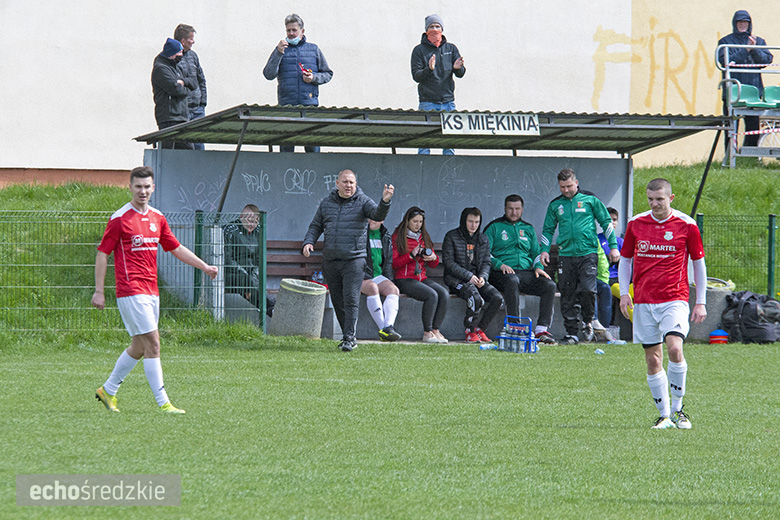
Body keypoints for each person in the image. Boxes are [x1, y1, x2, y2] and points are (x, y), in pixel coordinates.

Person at [92, 166, 218, 414]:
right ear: (130, 187)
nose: (143, 191)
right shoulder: (120, 218)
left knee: (139, 347)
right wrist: (99, 291)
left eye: (147, 186)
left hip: (151, 291)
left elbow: (176, 247)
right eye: (138, 186)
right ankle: (164, 403)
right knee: (154, 342)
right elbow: (102, 253)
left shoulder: (157, 218)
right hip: (130, 290)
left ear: (153, 188)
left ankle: (107, 390)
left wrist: (204, 266)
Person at [619, 178, 706, 430]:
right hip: (644, 301)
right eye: (650, 199)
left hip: (675, 298)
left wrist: (700, 301)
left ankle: (680, 410)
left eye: (659, 199)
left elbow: (699, 264)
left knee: (675, 349)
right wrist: (626, 293)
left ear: (671, 198)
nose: (654, 203)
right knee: (652, 359)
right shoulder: (636, 224)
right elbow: (625, 260)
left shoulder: (686, 225)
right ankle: (664, 415)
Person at [303, 170, 393, 352]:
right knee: (337, 300)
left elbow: (376, 214)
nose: (348, 185)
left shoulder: (363, 201)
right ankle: (348, 336)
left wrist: (385, 201)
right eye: (344, 182)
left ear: (356, 183)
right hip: (331, 260)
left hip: (354, 260)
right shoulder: (326, 203)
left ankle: (348, 338)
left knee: (350, 298)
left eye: (351, 182)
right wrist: (308, 242)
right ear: (337, 183)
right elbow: (316, 225)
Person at [540, 168, 619, 345]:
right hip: (566, 255)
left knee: (588, 289)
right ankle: (572, 334)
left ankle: (588, 321)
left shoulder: (590, 199)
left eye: (569, 186)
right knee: (567, 294)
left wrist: (613, 246)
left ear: (576, 182)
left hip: (587, 254)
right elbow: (547, 229)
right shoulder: (555, 205)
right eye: (562, 187)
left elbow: (606, 222)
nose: (566, 190)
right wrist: (544, 250)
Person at [484, 195, 558, 345]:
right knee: (512, 280)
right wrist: (500, 265)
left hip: (524, 272)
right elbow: (484, 253)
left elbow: (536, 254)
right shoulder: (494, 227)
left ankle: (541, 330)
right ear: (504, 209)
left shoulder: (528, 229)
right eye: (510, 209)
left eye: (517, 209)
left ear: (522, 209)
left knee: (549, 285)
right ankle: (515, 327)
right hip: (500, 273)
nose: (514, 212)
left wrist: (538, 267)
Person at [263, 13, 333, 153]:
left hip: (309, 105)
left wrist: (313, 78)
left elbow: (328, 74)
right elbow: (268, 74)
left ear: (302, 31)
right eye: (288, 30)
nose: (291, 33)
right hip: (287, 106)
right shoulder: (280, 50)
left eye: (294, 30)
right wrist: (278, 53)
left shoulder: (313, 50)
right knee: (286, 149)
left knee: (312, 149)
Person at [442, 207, 504, 343]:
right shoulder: (451, 236)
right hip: (456, 281)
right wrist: (468, 276)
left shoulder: (483, 239)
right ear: (464, 221)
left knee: (497, 298)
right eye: (470, 221)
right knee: (474, 297)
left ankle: (480, 330)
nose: (473, 225)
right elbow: (449, 263)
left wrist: (483, 277)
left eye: (476, 222)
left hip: (477, 280)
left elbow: (487, 262)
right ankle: (470, 331)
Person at [392, 207, 449, 343]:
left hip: (421, 277)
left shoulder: (424, 237)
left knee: (444, 293)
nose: (418, 225)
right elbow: (394, 264)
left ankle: (436, 330)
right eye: (415, 221)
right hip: (404, 279)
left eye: (421, 222)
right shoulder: (398, 237)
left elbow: (433, 265)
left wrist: (433, 258)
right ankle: (427, 332)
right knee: (431, 295)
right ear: (407, 221)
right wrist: (411, 255)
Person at [411, 14, 465, 155]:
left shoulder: (451, 48)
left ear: (442, 29)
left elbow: (461, 73)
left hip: (448, 102)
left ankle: (448, 170)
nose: (435, 30)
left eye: (437, 26)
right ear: (426, 30)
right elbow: (416, 76)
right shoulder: (419, 51)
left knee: (449, 141)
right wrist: (429, 69)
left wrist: (458, 68)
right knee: (425, 139)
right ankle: (424, 167)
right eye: (431, 27)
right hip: (428, 102)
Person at [718, 10, 773, 148]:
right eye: (740, 22)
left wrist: (754, 49)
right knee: (731, 127)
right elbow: (723, 61)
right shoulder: (725, 42)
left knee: (753, 128)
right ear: (735, 23)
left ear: (750, 24)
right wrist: (746, 50)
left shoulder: (758, 41)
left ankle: (750, 157)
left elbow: (766, 60)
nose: (743, 25)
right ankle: (730, 157)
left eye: (746, 22)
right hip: (733, 92)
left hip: (754, 93)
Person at [223, 204, 275, 318]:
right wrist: (247, 281)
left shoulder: (258, 232)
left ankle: (272, 311)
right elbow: (227, 260)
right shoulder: (230, 229)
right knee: (245, 280)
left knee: (251, 283)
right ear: (242, 216)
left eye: (255, 221)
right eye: (250, 220)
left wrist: (252, 279)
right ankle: (274, 305)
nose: (252, 225)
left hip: (250, 277)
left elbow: (259, 260)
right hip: (232, 275)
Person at [361, 219, 402, 342]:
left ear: (383, 220)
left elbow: (388, 261)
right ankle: (383, 329)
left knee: (393, 289)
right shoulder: (361, 233)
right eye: (369, 217)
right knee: (372, 287)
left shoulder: (384, 235)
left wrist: (389, 280)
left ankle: (389, 327)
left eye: (376, 218)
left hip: (377, 275)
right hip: (360, 275)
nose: (371, 220)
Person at [151, 38, 197, 150]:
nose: (181, 55)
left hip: (181, 117)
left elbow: (194, 82)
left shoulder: (175, 66)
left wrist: (183, 82)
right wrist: (186, 89)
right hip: (169, 118)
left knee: (188, 152)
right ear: (172, 54)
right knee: (167, 152)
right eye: (179, 52)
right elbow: (176, 90)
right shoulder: (161, 69)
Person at [174, 24, 207, 150]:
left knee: (199, 144)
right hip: (183, 110)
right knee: (187, 146)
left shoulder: (193, 56)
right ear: (183, 41)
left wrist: (202, 102)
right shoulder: (173, 58)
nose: (193, 41)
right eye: (191, 38)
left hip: (198, 109)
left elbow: (201, 79)